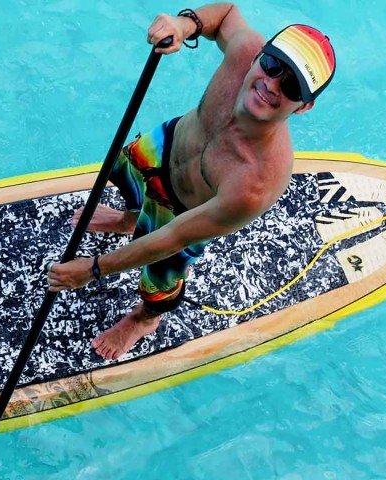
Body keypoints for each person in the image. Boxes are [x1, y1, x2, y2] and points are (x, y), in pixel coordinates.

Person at [46, 3, 336, 361]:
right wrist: (185, 25)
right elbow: (228, 12)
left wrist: (92, 270)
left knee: (160, 281)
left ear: (304, 107)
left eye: (291, 86)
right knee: (122, 170)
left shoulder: (255, 183)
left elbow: (173, 238)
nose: (270, 85)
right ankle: (128, 220)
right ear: (262, 55)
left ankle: (142, 321)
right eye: (274, 66)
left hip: (183, 213)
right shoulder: (245, 53)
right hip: (165, 146)